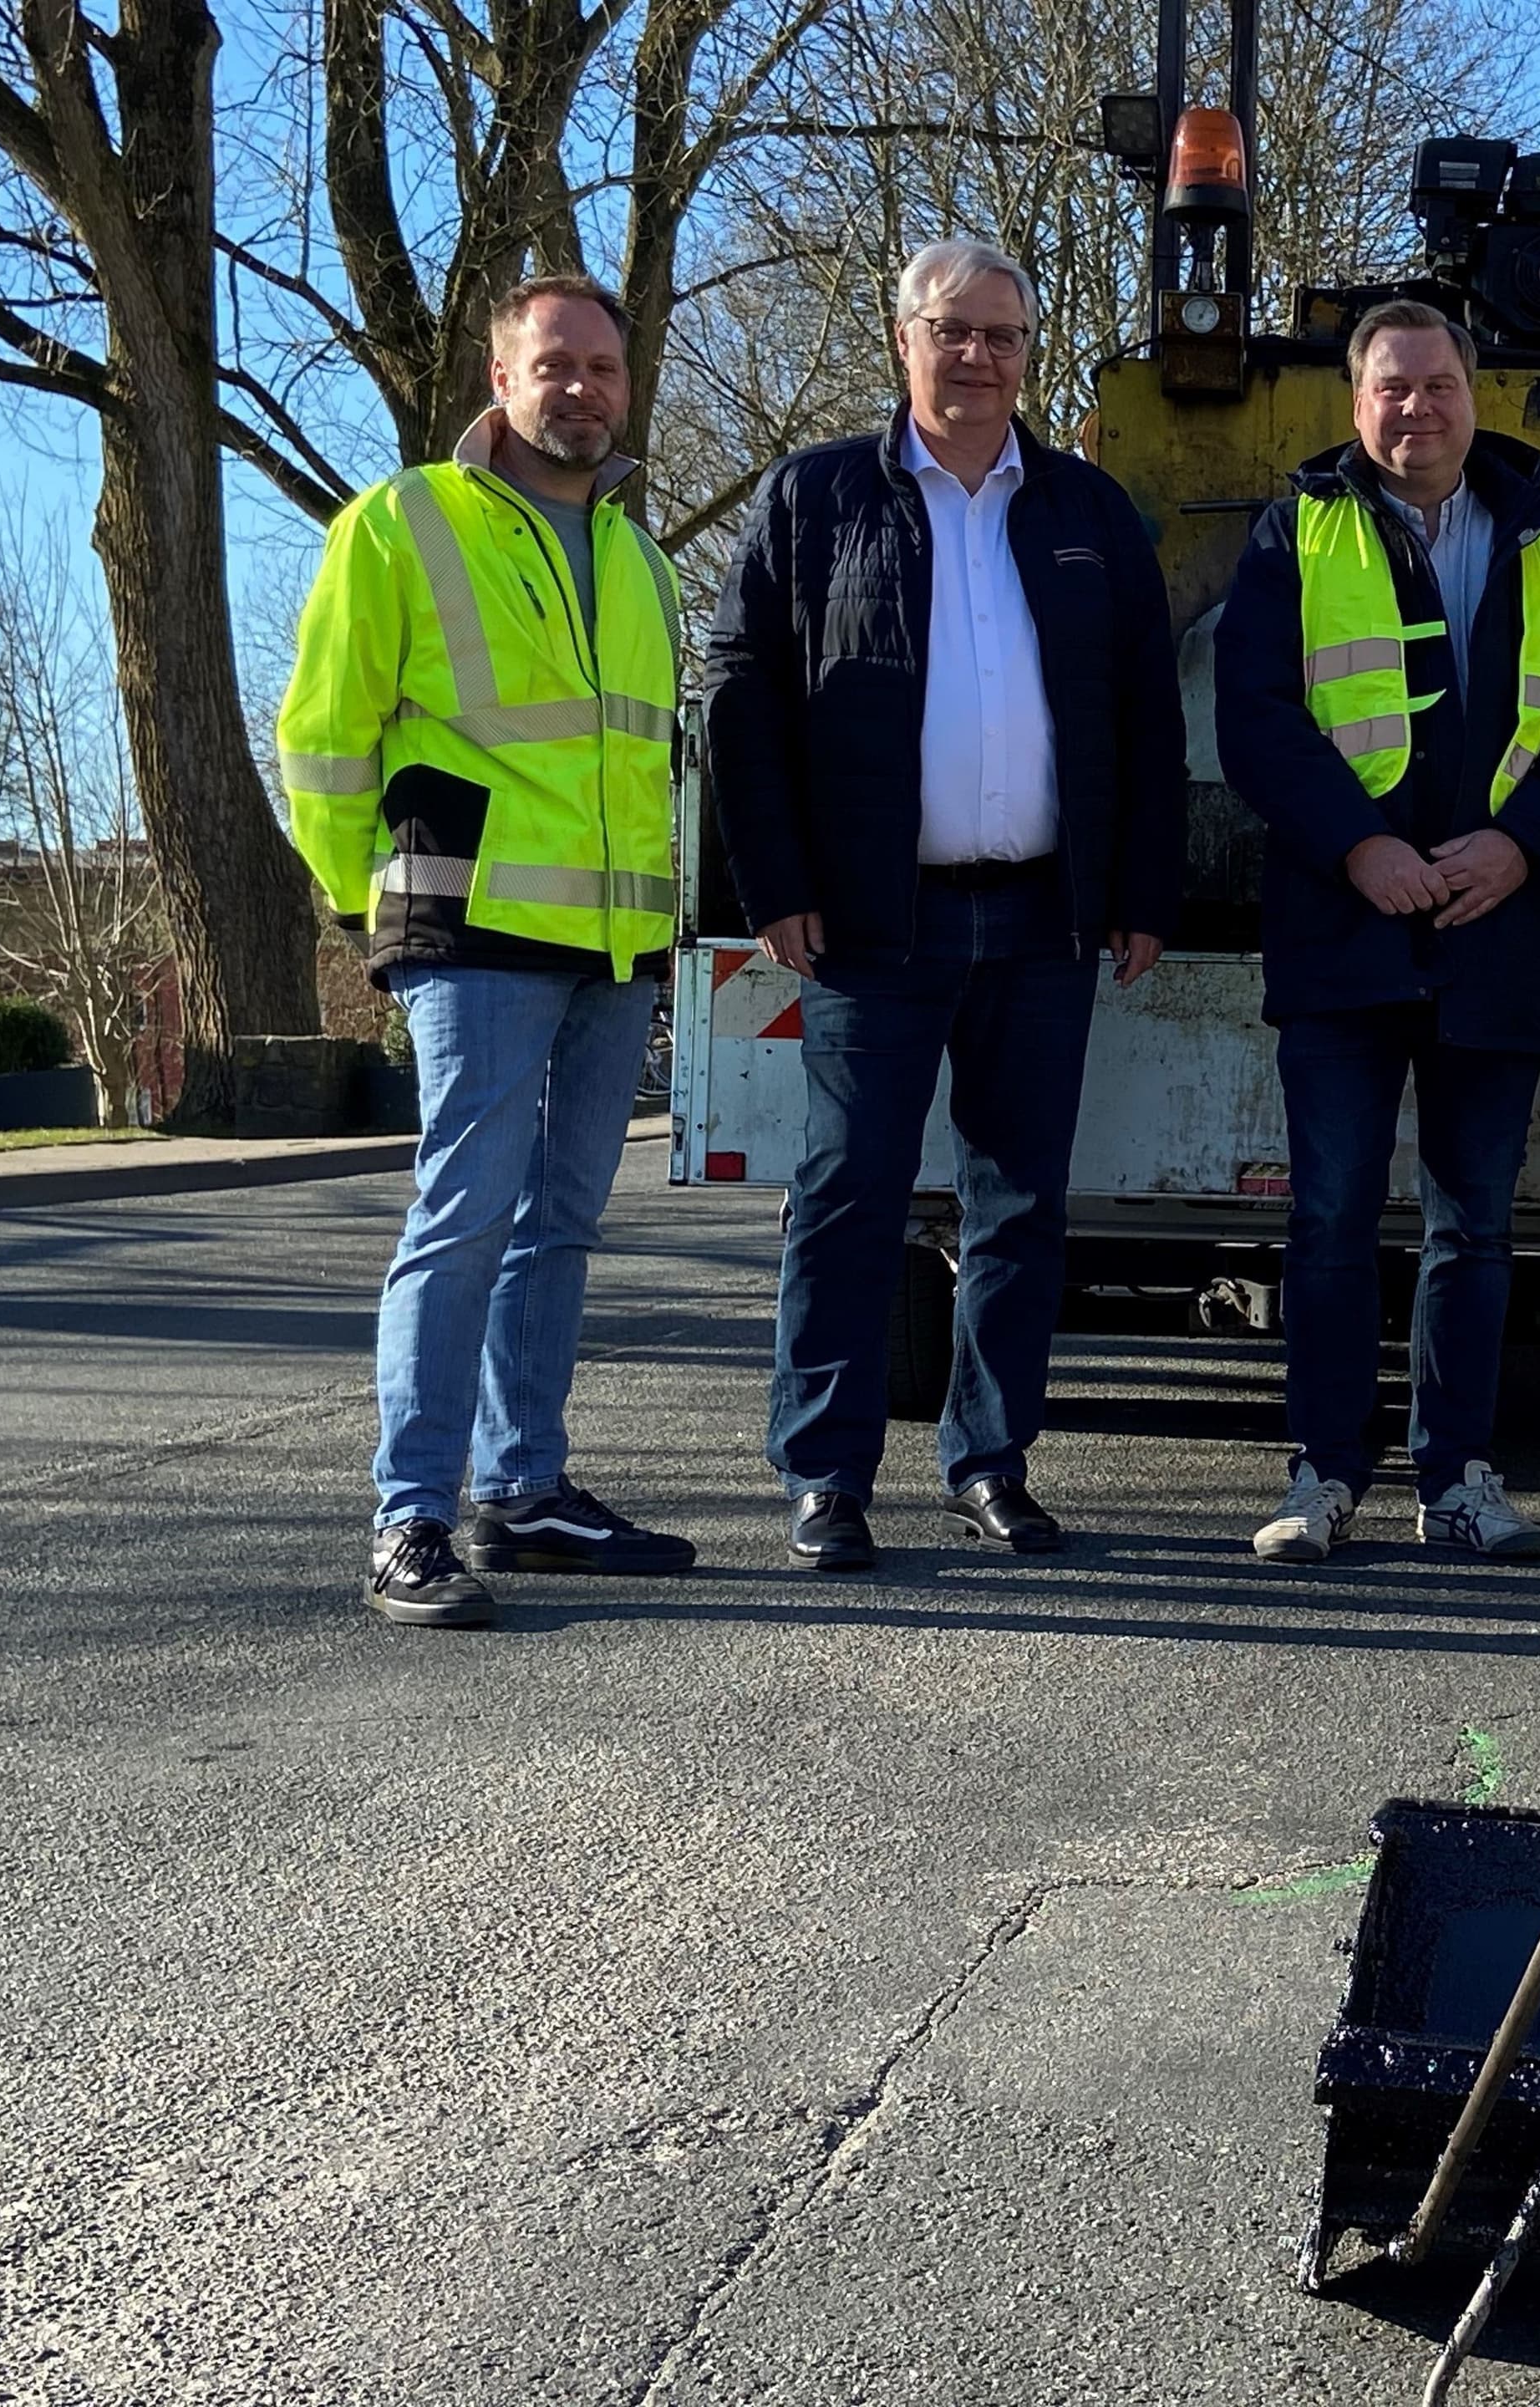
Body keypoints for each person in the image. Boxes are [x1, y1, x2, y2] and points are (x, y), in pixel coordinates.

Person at [705, 237, 1185, 1573]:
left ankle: (991, 1462)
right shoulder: (813, 500)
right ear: (902, 339)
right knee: (850, 1196)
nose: (977, 357)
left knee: (1020, 1205)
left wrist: (1142, 889)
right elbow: (744, 707)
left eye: (1003, 337)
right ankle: (824, 1476)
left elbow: (1147, 717)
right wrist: (777, 886)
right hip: (870, 919)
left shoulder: (1091, 511)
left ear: (1031, 354)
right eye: (952, 331)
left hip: (1047, 917)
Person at [280, 273, 697, 1629]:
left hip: (613, 942)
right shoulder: (403, 521)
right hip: (471, 935)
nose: (581, 389)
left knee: (560, 1224)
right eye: (554, 365)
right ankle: (413, 1517)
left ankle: (526, 1488)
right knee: (460, 1220)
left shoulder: (640, 558)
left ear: (629, 388)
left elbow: (640, 768)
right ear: (500, 379)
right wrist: (365, 904)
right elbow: (324, 737)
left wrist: (660, 928)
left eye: (605, 369)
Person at [1214, 299, 1540, 1564]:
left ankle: (1459, 1479)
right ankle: (1323, 1474)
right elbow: (1258, 721)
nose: (1417, 407)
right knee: (1331, 1217)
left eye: (1439, 383)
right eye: (1390, 387)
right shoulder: (1296, 532)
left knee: (1476, 1227)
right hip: (1346, 928)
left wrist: (1523, 845)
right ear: (1355, 404)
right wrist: (1364, 847)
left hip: (1502, 928)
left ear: (1474, 393)